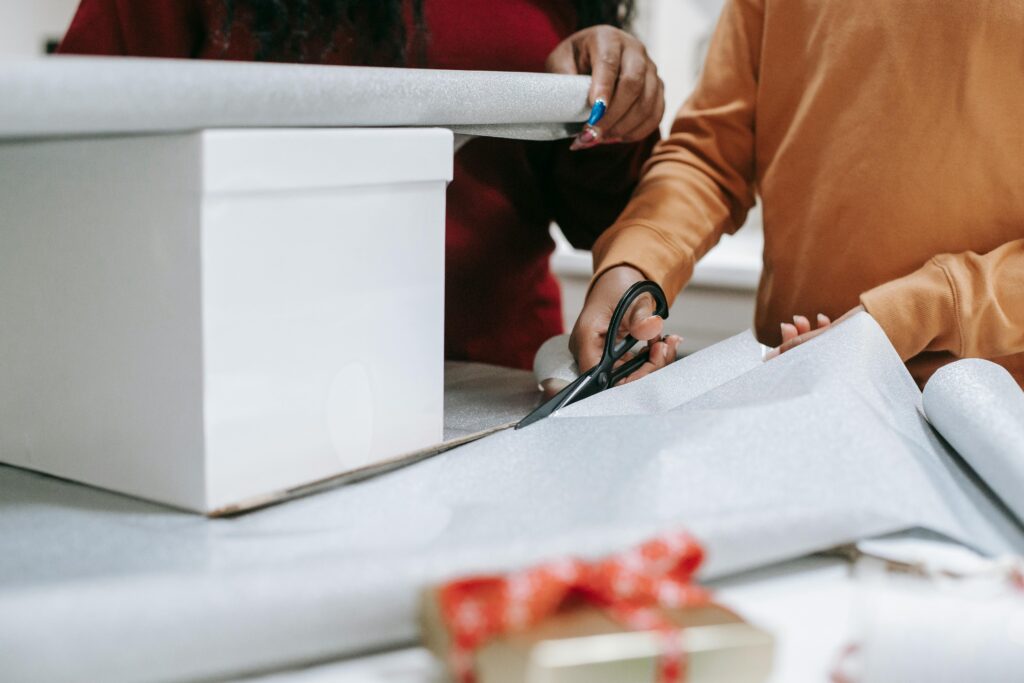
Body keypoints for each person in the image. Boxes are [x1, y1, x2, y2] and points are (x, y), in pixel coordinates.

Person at [59, 0, 665, 370]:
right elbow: (70, 163)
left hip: (498, 393)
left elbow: (602, 216)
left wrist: (613, 101)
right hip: (242, 383)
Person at [570, 0, 1024, 388]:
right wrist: (633, 264)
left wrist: (918, 313)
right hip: (796, 388)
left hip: (993, 412)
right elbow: (712, 153)